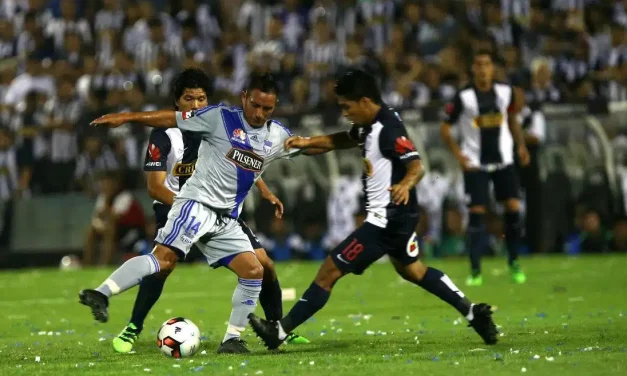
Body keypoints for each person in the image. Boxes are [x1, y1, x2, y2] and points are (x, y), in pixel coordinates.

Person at [247, 69, 498, 351]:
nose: (345, 112)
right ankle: (473, 312)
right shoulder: (370, 122)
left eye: (347, 107)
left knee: (329, 270)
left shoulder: (388, 129)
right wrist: (309, 142)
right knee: (413, 271)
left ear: (364, 101)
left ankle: (278, 331)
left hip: (385, 221)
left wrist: (404, 183)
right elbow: (345, 138)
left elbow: (416, 165)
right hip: (398, 218)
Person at [80, 73, 319, 354]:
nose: (195, 104)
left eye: (201, 98)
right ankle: (132, 324)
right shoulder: (166, 135)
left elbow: (241, 159)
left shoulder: (216, 126)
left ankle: (276, 328)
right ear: (176, 103)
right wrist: (194, 208)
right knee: (163, 264)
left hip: (221, 209)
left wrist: (263, 189)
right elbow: (156, 188)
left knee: (262, 264)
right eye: (188, 99)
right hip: (180, 204)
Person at [440, 49, 530, 286]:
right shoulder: (463, 97)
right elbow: (445, 128)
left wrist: (521, 146)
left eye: (487, 64)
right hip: (475, 163)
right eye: (478, 65)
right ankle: (475, 270)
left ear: (492, 68)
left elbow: (512, 120)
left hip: (504, 161)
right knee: (477, 214)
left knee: (513, 208)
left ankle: (514, 261)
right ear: (473, 69)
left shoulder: (505, 92)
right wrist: (459, 155)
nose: (482, 69)